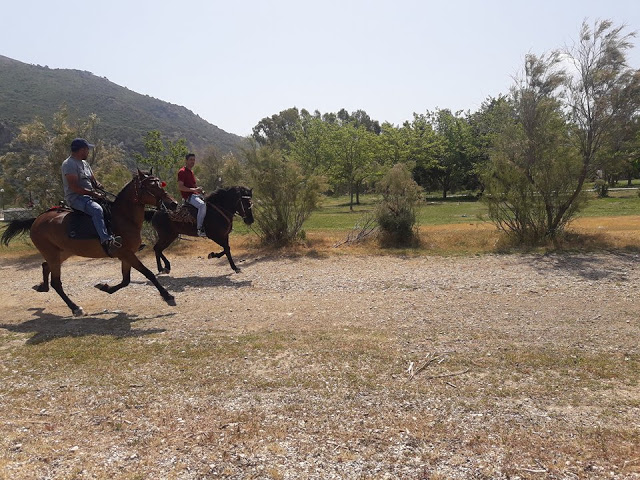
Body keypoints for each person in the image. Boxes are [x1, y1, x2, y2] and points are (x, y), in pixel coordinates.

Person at [61, 138, 121, 254]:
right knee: (97, 210)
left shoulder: (85, 163)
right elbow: (74, 188)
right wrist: (92, 193)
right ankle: (106, 240)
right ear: (81, 150)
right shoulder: (69, 164)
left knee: (111, 207)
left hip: (90, 196)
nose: (88, 152)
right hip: (76, 198)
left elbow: (93, 180)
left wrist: (98, 185)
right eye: (87, 150)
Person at [177, 153, 207, 237]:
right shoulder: (182, 172)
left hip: (195, 195)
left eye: (194, 160)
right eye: (191, 160)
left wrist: (200, 190)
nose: (192, 162)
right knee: (202, 205)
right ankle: (199, 229)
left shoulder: (191, 172)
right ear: (186, 161)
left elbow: (193, 186)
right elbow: (181, 187)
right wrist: (195, 190)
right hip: (189, 197)